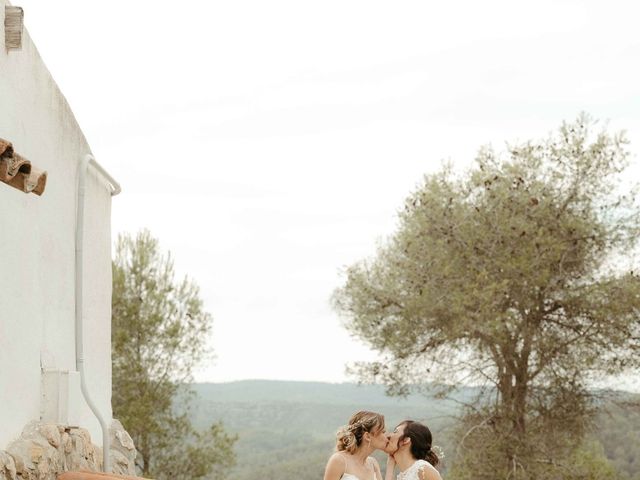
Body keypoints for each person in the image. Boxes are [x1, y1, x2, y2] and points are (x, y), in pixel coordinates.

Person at [324, 411, 389, 480]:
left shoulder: (373, 463)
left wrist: (391, 463)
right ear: (367, 436)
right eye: (383, 432)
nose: (387, 436)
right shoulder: (339, 460)